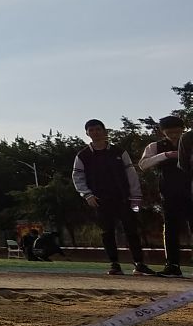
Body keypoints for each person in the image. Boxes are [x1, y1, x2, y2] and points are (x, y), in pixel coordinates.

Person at [72, 119, 158, 276]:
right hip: (99, 199)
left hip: (123, 198)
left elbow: (131, 174)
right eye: (91, 130)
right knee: (107, 232)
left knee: (131, 230)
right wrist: (87, 194)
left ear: (105, 131)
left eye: (98, 129)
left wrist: (136, 195)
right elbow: (78, 177)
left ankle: (139, 264)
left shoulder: (119, 152)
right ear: (87, 133)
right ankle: (114, 264)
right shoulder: (83, 155)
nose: (95, 133)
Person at [138, 116, 191, 277]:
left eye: (177, 130)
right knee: (170, 228)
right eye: (170, 131)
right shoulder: (156, 146)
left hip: (191, 189)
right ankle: (173, 265)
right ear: (163, 131)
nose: (174, 134)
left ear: (183, 129)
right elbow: (143, 164)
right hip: (169, 192)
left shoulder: (190, 142)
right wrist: (166, 155)